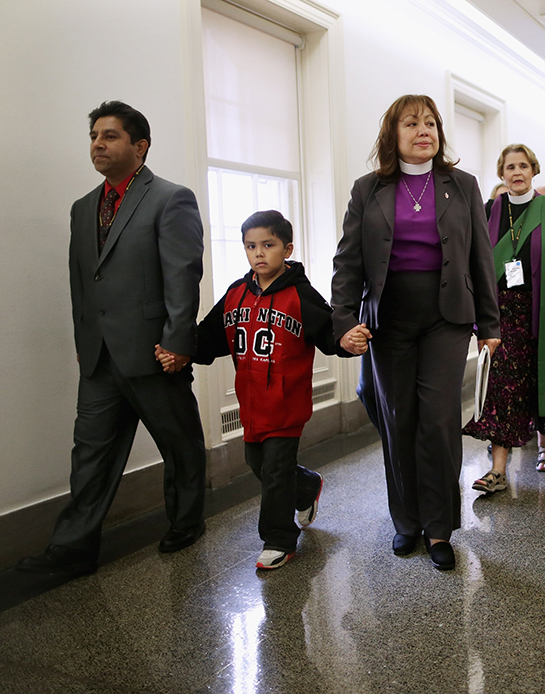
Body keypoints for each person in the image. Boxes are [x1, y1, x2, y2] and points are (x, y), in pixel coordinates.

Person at [17, 101, 207, 578]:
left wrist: (179, 342)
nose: (98, 145)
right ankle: (72, 549)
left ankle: (186, 522)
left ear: (139, 147)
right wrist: (85, 337)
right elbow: (82, 281)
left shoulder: (170, 198)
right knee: (90, 454)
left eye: (110, 136)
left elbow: (182, 277)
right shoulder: (83, 209)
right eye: (94, 137)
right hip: (100, 358)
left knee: (178, 444)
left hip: (155, 352)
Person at [331, 95, 500, 571]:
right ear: (393, 134)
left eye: (430, 122)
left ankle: (440, 527)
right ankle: (406, 521)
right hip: (390, 319)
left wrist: (490, 323)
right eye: (411, 123)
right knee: (397, 418)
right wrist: (344, 320)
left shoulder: (461, 185)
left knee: (440, 419)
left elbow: (480, 259)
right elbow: (348, 261)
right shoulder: (369, 189)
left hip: (446, 316)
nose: (423, 130)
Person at [180, 210, 341, 569]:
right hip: (251, 402)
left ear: (287, 249)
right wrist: (179, 347)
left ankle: (278, 539)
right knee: (258, 462)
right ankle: (307, 486)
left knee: (274, 471)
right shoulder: (236, 293)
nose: (259, 253)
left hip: (286, 402)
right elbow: (208, 337)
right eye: (251, 246)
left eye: (268, 245)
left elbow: (330, 335)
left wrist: (349, 340)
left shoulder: (301, 295)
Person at [464, 144, 545, 493]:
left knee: (543, 376)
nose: (517, 172)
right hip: (501, 313)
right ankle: (498, 469)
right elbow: (476, 266)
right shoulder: (491, 210)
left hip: (543, 309)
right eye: (510, 167)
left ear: (533, 170)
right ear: (501, 173)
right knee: (502, 387)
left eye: (523, 165)